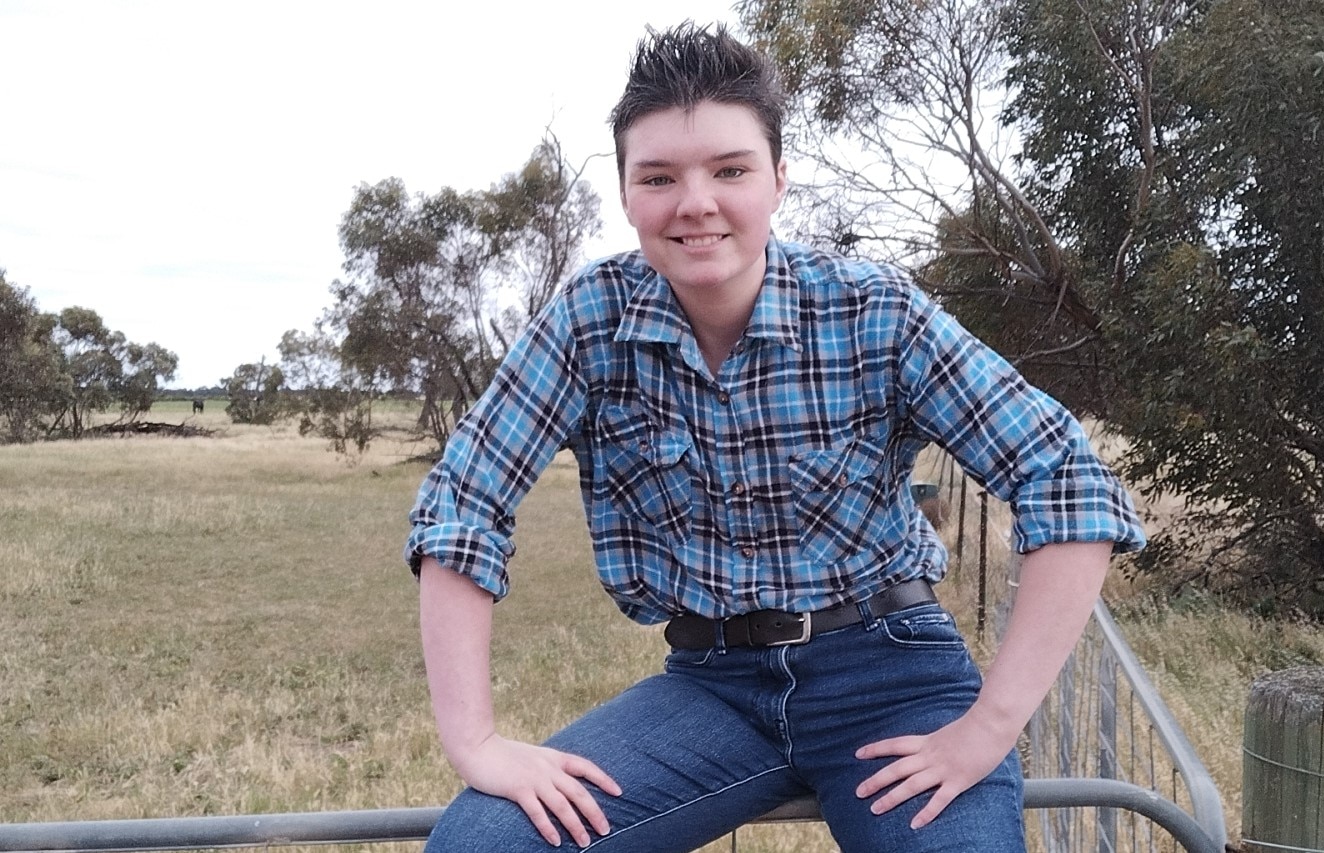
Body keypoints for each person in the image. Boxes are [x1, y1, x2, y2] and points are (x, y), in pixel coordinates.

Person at [406, 21, 1145, 853]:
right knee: (483, 843)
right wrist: (475, 742)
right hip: (711, 690)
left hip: (892, 680)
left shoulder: (873, 310)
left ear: (778, 178)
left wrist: (990, 725)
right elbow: (464, 501)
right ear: (625, 193)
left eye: (730, 169)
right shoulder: (588, 321)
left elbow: (1068, 481)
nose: (696, 202)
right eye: (659, 176)